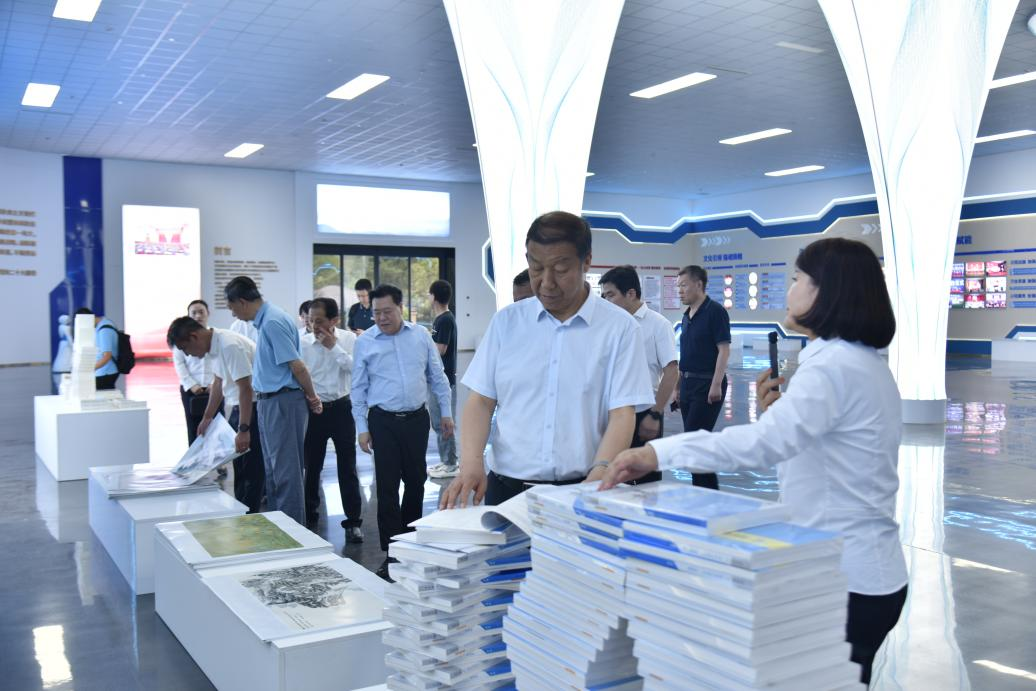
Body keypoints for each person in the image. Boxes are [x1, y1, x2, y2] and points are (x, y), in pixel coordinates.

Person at [600, 237, 909, 686]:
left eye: (798, 279)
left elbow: (762, 445)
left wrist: (657, 452)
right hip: (868, 570)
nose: (789, 290)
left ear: (827, 291)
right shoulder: (859, 361)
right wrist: (777, 414)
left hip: (846, 575)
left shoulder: (833, 367)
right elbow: (821, 449)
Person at [440, 211, 654, 509]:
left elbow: (622, 414)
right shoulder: (507, 322)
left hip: (581, 488)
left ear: (586, 261)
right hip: (506, 490)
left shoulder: (620, 329)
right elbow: (481, 401)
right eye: (536, 268)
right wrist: (472, 463)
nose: (546, 282)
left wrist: (600, 473)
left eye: (561, 269)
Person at [351, 284, 454, 577]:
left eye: (387, 311)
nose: (381, 318)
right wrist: (362, 428)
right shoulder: (365, 342)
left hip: (416, 420)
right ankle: (392, 553)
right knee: (386, 488)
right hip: (382, 422)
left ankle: (411, 544)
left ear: (401, 308)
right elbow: (358, 388)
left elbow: (437, 376)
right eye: (376, 313)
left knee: (416, 482)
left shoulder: (420, 336)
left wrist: (446, 413)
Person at [224, 276, 323, 525]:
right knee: (274, 473)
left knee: (286, 474)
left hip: (283, 402)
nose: (233, 313)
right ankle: (282, 529)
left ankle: (294, 535)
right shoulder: (267, 320)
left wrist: (312, 397)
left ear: (242, 302)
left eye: (232, 307)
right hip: (271, 402)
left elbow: (298, 366)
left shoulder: (272, 322)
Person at [167, 316, 265, 513]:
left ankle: (251, 516)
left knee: (252, 470)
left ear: (194, 337)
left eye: (185, 348)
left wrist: (244, 429)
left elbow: (245, 388)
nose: (188, 354)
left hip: (252, 409)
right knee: (240, 467)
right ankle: (242, 513)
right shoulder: (214, 346)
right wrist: (207, 417)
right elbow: (218, 382)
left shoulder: (229, 345)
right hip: (239, 408)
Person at [599, 265, 678, 483]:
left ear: (631, 293)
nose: (606, 301)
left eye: (611, 295)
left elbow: (672, 372)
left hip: (645, 413)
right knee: (613, 476)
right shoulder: (609, 325)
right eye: (604, 296)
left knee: (645, 482)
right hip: (614, 412)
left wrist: (655, 414)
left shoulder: (659, 325)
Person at [301, 297, 363, 541]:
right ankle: (310, 517)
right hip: (313, 411)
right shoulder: (303, 342)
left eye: (319, 321)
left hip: (341, 409)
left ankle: (353, 522)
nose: (314, 326)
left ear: (334, 320)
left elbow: (356, 370)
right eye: (310, 320)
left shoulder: (349, 340)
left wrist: (333, 347)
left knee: (347, 467)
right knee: (312, 467)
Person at [673, 265, 729, 489]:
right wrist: (677, 387)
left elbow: (723, 350)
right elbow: (685, 354)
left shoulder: (715, 312)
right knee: (695, 443)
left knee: (694, 442)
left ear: (698, 284)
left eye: (683, 285)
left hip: (706, 384)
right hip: (688, 383)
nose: (680, 291)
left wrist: (716, 385)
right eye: (678, 286)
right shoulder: (687, 316)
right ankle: (703, 491)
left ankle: (708, 492)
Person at [173, 300, 218, 444]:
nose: (198, 316)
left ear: (208, 313)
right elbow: (179, 364)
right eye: (194, 313)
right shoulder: (181, 337)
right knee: (193, 426)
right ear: (188, 316)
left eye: (201, 312)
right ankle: (196, 456)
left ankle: (217, 456)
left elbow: (220, 363)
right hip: (190, 389)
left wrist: (213, 383)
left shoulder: (215, 335)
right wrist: (191, 385)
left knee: (216, 424)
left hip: (214, 387)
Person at [428, 280, 460, 480]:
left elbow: (440, 349)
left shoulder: (445, 320)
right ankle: (446, 459)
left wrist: (425, 341)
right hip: (436, 378)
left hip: (443, 380)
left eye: (429, 293)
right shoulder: (440, 319)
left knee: (444, 422)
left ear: (434, 296)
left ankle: (451, 463)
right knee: (437, 422)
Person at [74, 307, 120, 390]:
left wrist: (90, 369)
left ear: (87, 319)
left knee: (102, 395)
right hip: (104, 371)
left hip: (105, 372)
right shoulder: (103, 324)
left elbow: (107, 356)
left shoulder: (104, 330)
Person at [52, 314, 73, 393]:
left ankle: (59, 367)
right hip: (67, 344)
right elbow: (69, 337)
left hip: (62, 344)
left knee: (61, 356)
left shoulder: (60, 327)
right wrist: (73, 345)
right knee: (67, 356)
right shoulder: (66, 327)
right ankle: (66, 367)